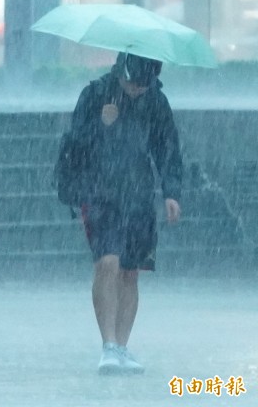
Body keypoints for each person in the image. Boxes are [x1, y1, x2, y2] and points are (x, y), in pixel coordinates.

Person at [70, 52, 182, 375]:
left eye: (143, 85)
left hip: (138, 195)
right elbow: (73, 144)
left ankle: (121, 344)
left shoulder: (156, 102)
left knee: (130, 272)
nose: (136, 90)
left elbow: (168, 148)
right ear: (121, 72)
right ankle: (107, 344)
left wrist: (172, 192)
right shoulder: (95, 94)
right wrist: (99, 124)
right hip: (99, 193)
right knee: (107, 262)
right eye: (132, 83)